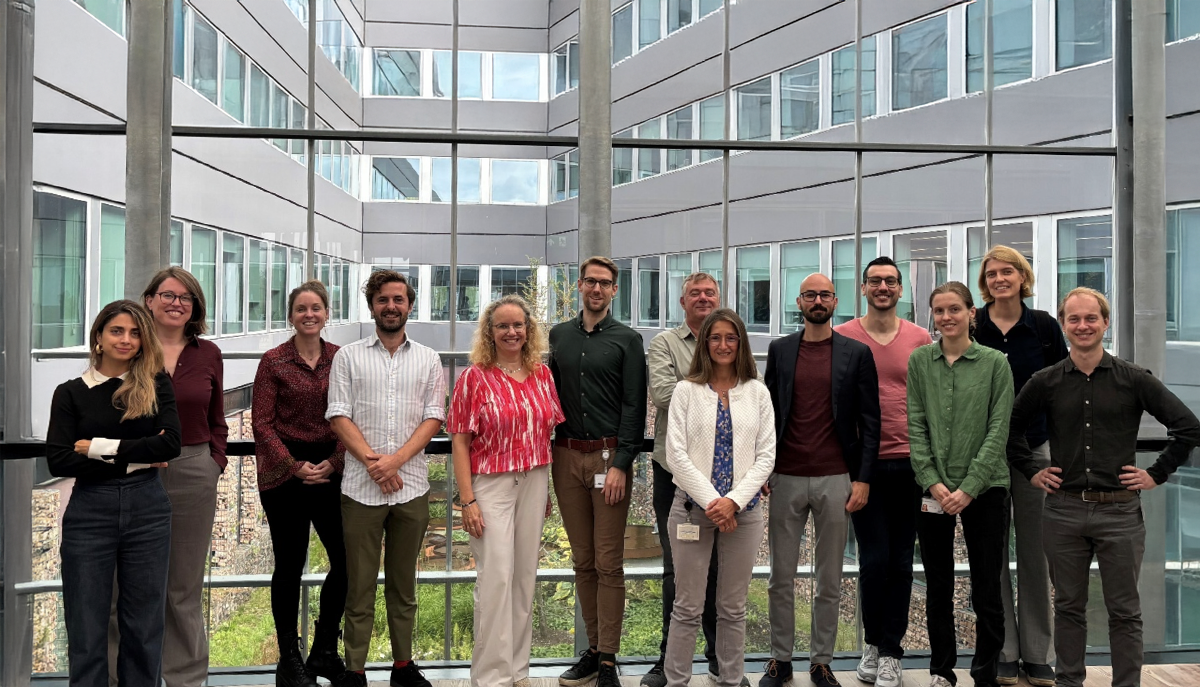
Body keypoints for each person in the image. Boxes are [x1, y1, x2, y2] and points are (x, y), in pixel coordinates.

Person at [1007, 287, 1200, 687]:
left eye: (1091, 318)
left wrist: (1156, 473)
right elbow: (1010, 431)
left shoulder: (1134, 379)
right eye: (1074, 319)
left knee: (1125, 612)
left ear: (1105, 323)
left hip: (1120, 511)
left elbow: (1188, 428)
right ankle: (1069, 682)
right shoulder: (1046, 381)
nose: (1083, 326)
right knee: (1069, 608)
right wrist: (1032, 471)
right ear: (1064, 325)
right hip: (1063, 510)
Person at [47, 300, 181, 687]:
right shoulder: (70, 393)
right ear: (99, 338)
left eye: (135, 333)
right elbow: (59, 461)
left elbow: (170, 444)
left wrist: (97, 448)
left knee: (144, 625)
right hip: (90, 510)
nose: (126, 339)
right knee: (85, 624)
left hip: (147, 509)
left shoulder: (156, 384)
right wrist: (139, 456)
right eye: (117, 331)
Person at [326, 270, 446, 687]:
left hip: (411, 488)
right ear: (372, 306)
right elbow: (338, 414)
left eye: (398, 299)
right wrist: (375, 464)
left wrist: (394, 462)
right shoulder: (348, 357)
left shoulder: (428, 359)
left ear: (409, 305)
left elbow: (434, 417)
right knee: (358, 587)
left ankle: (403, 667)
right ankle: (354, 671)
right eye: (383, 300)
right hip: (360, 490)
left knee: (403, 586)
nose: (391, 306)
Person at [762, 273, 881, 687]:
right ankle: (780, 659)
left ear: (835, 301)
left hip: (837, 478)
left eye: (825, 294)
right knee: (780, 578)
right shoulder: (780, 350)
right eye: (810, 295)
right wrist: (763, 470)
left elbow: (871, 421)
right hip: (786, 476)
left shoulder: (857, 353)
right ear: (799, 301)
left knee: (829, 580)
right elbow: (767, 414)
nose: (817, 300)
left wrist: (862, 479)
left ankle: (821, 662)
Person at [447, 295, 565, 687]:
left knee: (524, 577)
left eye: (518, 325)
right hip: (491, 485)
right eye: (503, 326)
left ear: (528, 330)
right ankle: (491, 678)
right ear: (490, 332)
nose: (511, 332)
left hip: (535, 480)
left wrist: (545, 490)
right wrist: (467, 500)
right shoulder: (474, 378)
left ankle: (518, 671)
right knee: (496, 578)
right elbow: (460, 442)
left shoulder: (541, 375)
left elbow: (545, 433)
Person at [907, 281, 1013, 687]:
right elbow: (916, 425)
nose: (946, 317)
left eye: (954, 309)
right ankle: (941, 670)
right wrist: (932, 481)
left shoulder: (995, 363)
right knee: (938, 585)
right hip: (933, 489)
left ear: (972, 313)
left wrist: (969, 487)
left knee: (987, 586)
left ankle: (985, 673)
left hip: (986, 489)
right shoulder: (920, 361)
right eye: (939, 311)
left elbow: (998, 429)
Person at [549, 256, 647, 687]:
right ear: (579, 286)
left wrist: (622, 464)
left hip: (609, 461)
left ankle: (608, 659)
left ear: (614, 291)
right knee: (583, 561)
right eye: (590, 281)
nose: (596, 289)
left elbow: (635, 405)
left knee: (609, 563)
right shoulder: (558, 336)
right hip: (566, 458)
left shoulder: (628, 340)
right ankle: (592, 650)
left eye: (605, 283)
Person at [662, 308, 774, 687]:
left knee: (733, 608)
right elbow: (676, 455)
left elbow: (766, 456)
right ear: (705, 343)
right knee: (687, 607)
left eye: (731, 338)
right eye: (715, 337)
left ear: (741, 343)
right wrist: (715, 502)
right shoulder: (685, 391)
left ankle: (730, 680)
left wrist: (733, 503)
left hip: (745, 513)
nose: (723, 345)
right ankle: (676, 681)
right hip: (692, 511)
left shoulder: (757, 392)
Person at [834, 257, 932, 687]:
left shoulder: (920, 338)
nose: (883, 287)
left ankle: (892, 652)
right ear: (863, 288)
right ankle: (872, 644)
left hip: (912, 462)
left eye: (891, 281)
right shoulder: (842, 336)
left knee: (901, 562)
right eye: (875, 281)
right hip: (864, 467)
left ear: (900, 289)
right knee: (873, 561)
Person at [974, 246, 1067, 687]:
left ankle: (1037, 653)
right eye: (991, 273)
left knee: (1035, 554)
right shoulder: (973, 324)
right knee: (992, 556)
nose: (999, 279)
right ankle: (1004, 651)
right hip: (985, 454)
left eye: (1007, 271)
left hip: (1035, 452)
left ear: (1022, 277)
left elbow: (1063, 387)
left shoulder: (1044, 326)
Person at [252, 281, 348, 687]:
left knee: (347, 561)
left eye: (316, 308)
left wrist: (335, 461)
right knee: (289, 566)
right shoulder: (273, 361)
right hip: (283, 474)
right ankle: (288, 660)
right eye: (301, 309)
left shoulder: (342, 358)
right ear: (291, 316)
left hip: (331, 470)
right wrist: (294, 467)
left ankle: (324, 648)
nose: (309, 314)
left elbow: (351, 416)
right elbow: (262, 423)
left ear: (327, 313)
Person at [141, 267, 228, 687]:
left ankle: (186, 680)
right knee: (130, 583)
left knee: (184, 587)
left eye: (186, 297)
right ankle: (128, 677)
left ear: (195, 306)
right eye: (168, 295)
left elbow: (217, 418)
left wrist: (214, 463)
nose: (176, 303)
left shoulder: (208, 353)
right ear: (149, 300)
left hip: (194, 470)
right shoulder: (132, 346)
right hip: (136, 472)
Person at [644, 272, 728, 687]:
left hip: (725, 476)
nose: (703, 298)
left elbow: (748, 393)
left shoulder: (731, 341)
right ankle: (669, 661)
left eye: (709, 292)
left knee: (719, 570)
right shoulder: (665, 343)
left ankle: (719, 660)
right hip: (674, 473)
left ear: (718, 298)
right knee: (676, 569)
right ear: (683, 302)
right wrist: (721, 390)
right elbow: (663, 394)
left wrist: (697, 392)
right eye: (695, 293)